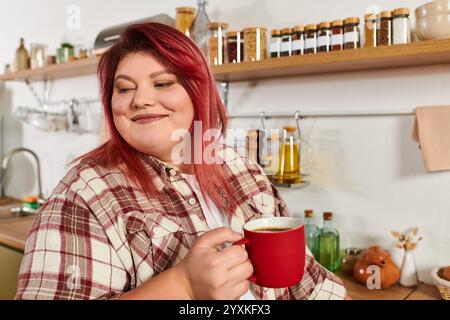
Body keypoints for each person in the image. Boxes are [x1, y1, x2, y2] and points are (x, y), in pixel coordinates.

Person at [16, 23, 347, 300]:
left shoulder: (241, 168)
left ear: (197, 91)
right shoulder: (83, 194)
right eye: (124, 88)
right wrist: (182, 285)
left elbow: (308, 282)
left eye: (162, 83)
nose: (140, 100)